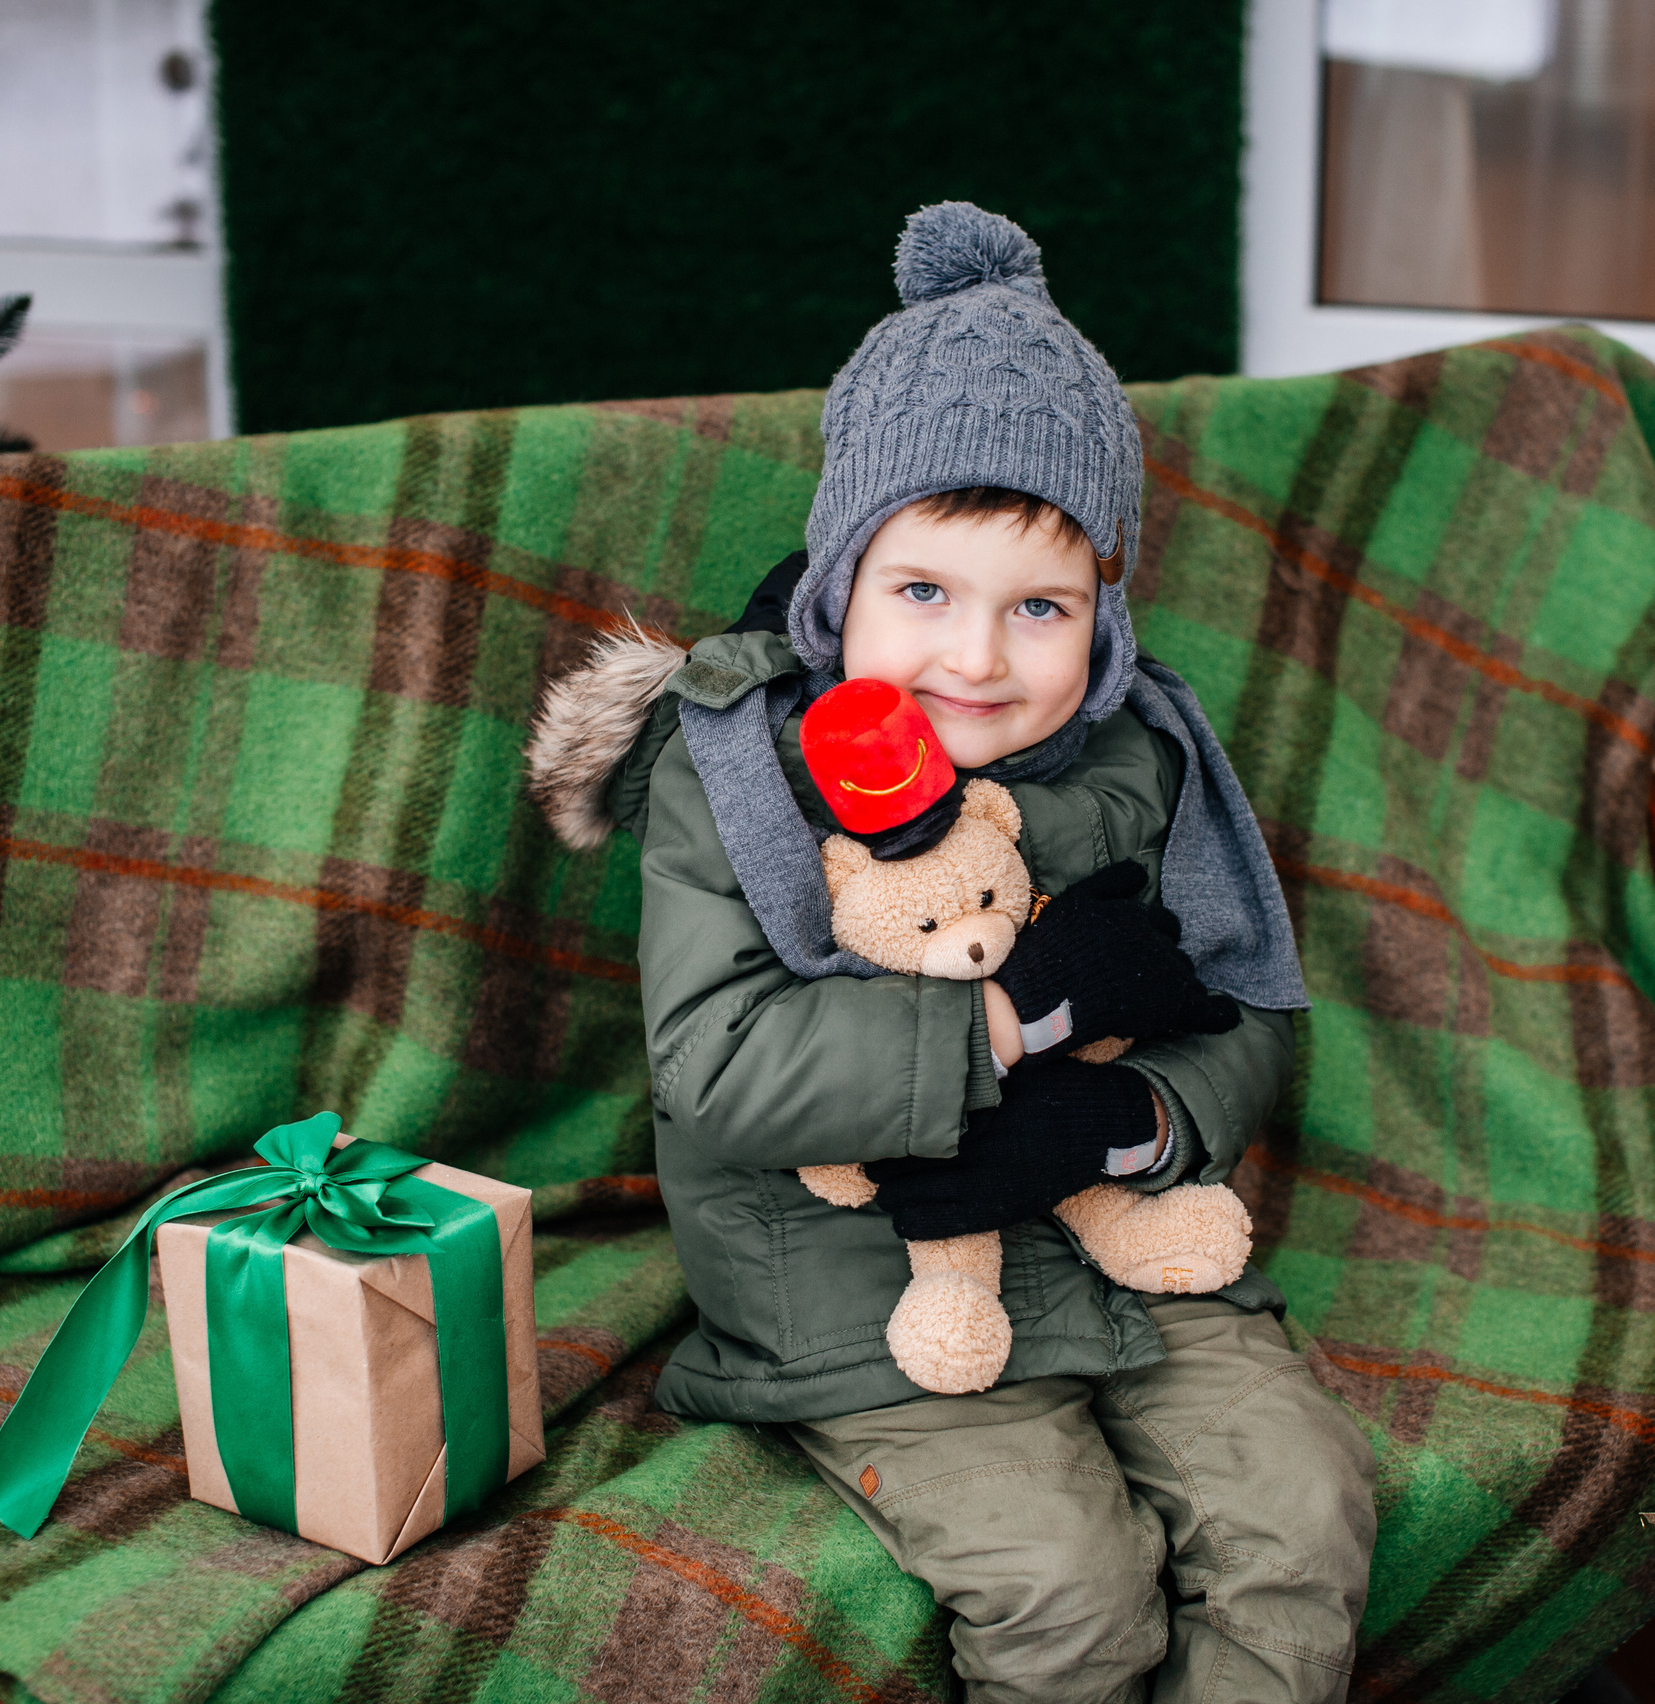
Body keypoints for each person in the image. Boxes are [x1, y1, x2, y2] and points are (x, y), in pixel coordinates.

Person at [525, 202, 1376, 1703]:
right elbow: (721, 1067)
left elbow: (1241, 1001)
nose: (977, 660)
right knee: (1071, 1596)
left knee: (1300, 1521)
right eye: (923, 593)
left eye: (1038, 607)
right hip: (856, 1281)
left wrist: (1139, 1113)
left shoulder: (1147, 755)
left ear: (1101, 619)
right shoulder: (741, 778)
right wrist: (1019, 1016)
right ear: (842, 583)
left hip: (1126, 1228)